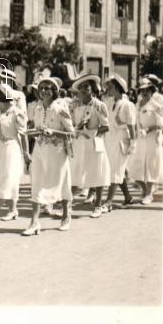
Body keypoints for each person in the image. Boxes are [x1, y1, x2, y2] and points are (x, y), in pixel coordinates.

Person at [23, 77, 75, 235]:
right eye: (42, 88)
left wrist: (54, 132)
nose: (44, 91)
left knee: (62, 182)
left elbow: (71, 132)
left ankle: (66, 216)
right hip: (39, 150)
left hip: (57, 152)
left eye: (48, 88)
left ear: (54, 91)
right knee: (37, 183)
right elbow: (37, 128)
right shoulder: (37, 108)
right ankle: (34, 222)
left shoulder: (60, 108)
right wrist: (32, 133)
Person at [0, 83, 29, 225]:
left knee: (7, 180)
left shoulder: (17, 112)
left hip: (11, 150)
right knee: (1, 180)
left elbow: (23, 135)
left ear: (1, 96)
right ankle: (13, 209)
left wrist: (26, 153)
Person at [70, 74, 111, 218]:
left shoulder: (99, 105)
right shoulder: (75, 105)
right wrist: (77, 130)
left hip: (94, 143)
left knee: (97, 174)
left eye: (86, 86)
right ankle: (67, 205)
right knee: (75, 172)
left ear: (92, 88)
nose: (83, 90)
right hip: (79, 143)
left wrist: (91, 132)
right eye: (80, 87)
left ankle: (98, 206)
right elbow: (73, 125)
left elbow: (106, 126)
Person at [128, 78, 163, 205]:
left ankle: (149, 194)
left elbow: (161, 125)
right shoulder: (137, 105)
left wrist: (148, 129)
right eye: (142, 90)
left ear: (151, 90)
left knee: (151, 165)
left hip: (152, 138)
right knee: (133, 166)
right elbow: (135, 122)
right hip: (140, 138)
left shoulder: (157, 105)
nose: (144, 93)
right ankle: (144, 190)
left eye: (147, 90)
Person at [103, 75, 137, 210]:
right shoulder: (111, 103)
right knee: (117, 170)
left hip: (121, 140)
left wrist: (133, 143)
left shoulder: (128, 105)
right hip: (110, 139)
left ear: (117, 87)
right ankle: (128, 197)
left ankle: (108, 202)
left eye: (110, 87)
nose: (108, 89)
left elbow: (131, 126)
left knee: (115, 169)